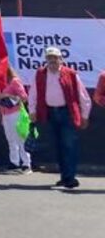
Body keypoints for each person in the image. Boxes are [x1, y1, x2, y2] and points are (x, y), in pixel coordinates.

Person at [28, 46, 92, 189]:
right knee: (58, 146)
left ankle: (70, 177)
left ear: (61, 60)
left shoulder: (71, 74)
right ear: (46, 60)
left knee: (69, 145)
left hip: (67, 114)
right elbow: (33, 93)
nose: (52, 62)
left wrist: (84, 116)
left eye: (55, 58)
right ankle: (64, 176)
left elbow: (83, 97)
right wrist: (32, 110)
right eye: (49, 59)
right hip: (49, 113)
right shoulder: (40, 74)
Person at [0, 66, 31, 173]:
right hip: (5, 113)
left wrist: (8, 95)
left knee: (20, 138)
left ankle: (26, 163)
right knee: (10, 138)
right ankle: (14, 162)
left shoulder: (14, 81)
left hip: (16, 112)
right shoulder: (0, 84)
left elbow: (24, 97)